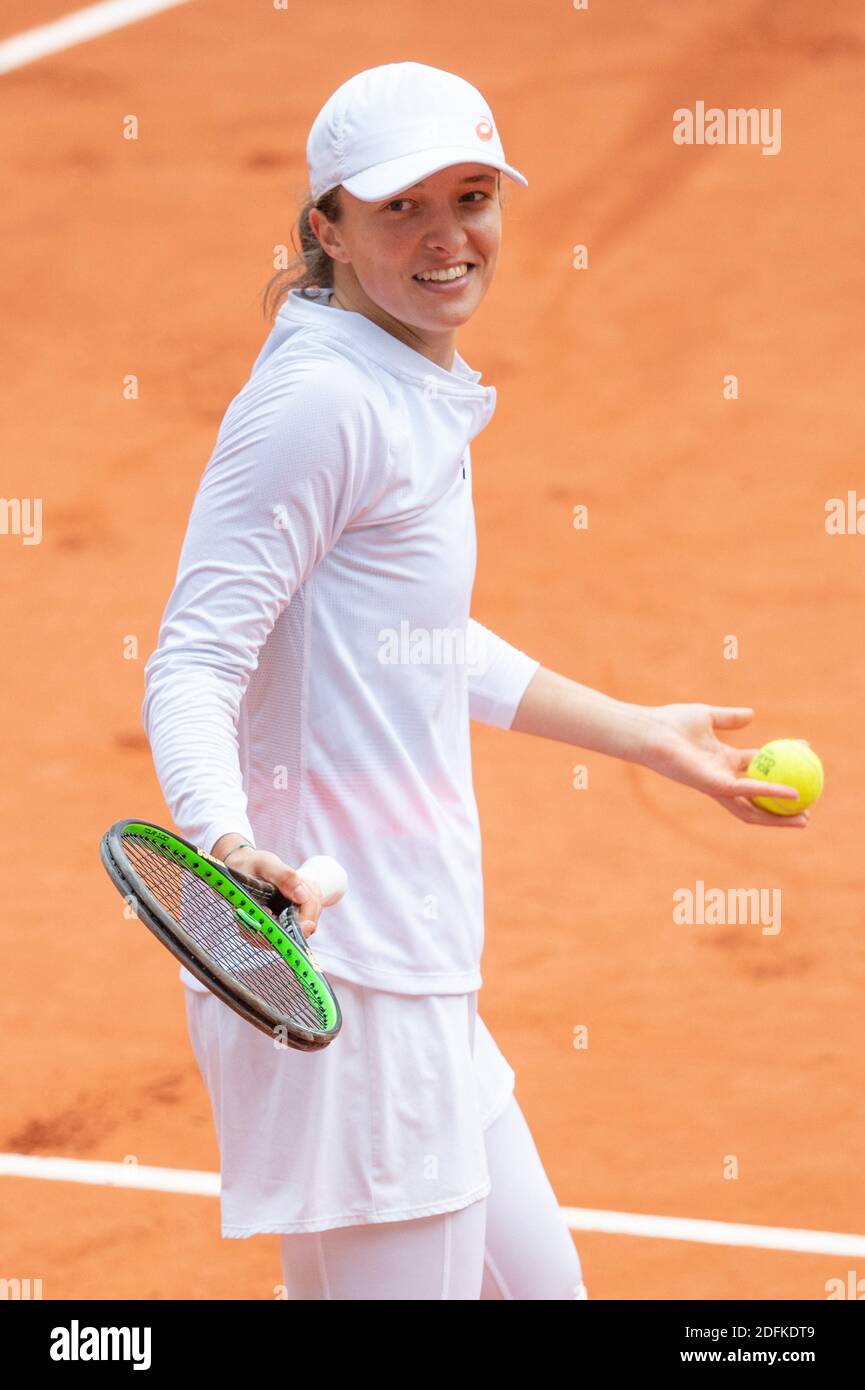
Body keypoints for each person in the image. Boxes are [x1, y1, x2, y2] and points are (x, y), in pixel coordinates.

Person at [141, 61, 810, 1301]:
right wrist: (225, 847)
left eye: (471, 195)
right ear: (328, 227)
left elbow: (417, 637)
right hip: (344, 973)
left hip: (417, 961)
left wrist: (642, 735)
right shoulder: (323, 402)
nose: (448, 238)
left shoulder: (400, 376)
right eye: (402, 209)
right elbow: (193, 655)